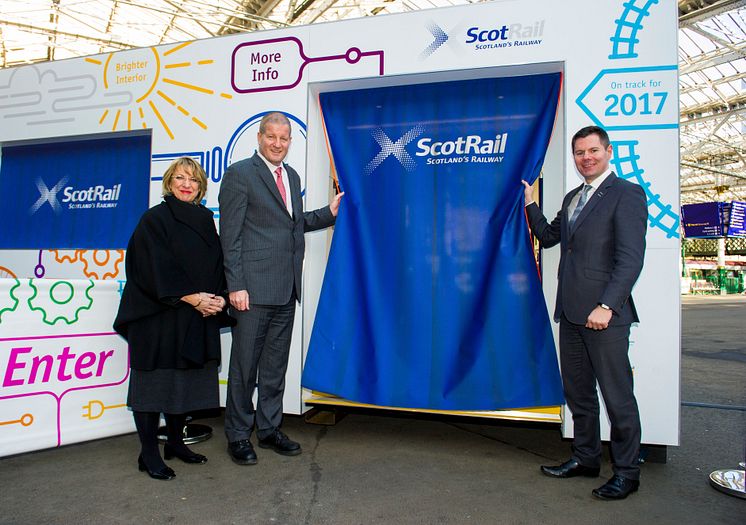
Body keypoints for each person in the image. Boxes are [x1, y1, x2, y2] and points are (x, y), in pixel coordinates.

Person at [521, 125, 647, 500]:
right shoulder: (575, 196)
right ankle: (586, 457)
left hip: (605, 317)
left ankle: (627, 472)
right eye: (579, 153)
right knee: (579, 394)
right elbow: (548, 236)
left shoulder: (626, 194)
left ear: (609, 152)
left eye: (593, 150)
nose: (586, 157)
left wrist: (607, 305)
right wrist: (530, 202)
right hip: (572, 314)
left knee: (617, 397)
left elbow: (630, 260)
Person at [219, 111, 343, 465]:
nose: (277, 144)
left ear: (290, 142)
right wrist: (235, 285)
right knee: (244, 368)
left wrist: (329, 212)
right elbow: (230, 236)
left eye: (283, 138)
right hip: (251, 292)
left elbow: (292, 225)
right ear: (259, 137)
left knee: (274, 366)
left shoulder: (290, 175)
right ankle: (239, 435)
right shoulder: (240, 174)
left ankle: (269, 428)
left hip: (286, 289)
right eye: (271, 137)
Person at [114, 157, 229, 480]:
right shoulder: (154, 219)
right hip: (158, 317)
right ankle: (148, 453)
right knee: (155, 386)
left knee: (186, 384)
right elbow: (152, 267)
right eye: (179, 178)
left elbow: (215, 263)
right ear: (169, 182)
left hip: (193, 317)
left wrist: (218, 297)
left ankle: (175, 443)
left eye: (193, 180)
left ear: (201, 186)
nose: (186, 184)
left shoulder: (206, 219)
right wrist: (193, 298)